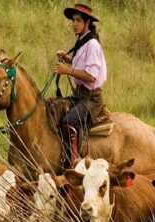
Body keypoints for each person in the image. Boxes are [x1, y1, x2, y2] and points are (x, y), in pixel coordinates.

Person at [53, 3, 107, 166]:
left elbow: (91, 76)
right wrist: (69, 59)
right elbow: (83, 66)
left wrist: (67, 70)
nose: (74, 24)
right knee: (53, 108)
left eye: (78, 20)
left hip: (91, 99)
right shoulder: (83, 42)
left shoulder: (92, 45)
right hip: (79, 95)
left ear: (87, 23)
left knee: (70, 121)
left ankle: (72, 162)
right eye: (73, 20)